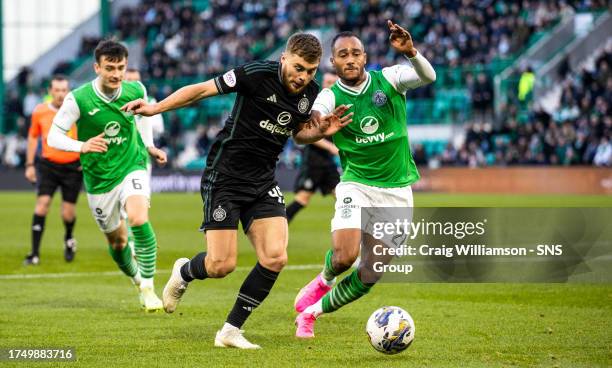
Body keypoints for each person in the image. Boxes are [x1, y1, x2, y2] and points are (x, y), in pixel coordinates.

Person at [121, 33, 351, 348]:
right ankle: (185, 271)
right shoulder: (255, 74)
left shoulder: (310, 93)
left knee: (275, 257)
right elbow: (201, 90)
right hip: (225, 175)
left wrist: (320, 131)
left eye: (311, 71)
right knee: (221, 265)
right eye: (299, 68)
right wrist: (155, 108)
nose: (304, 77)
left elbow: (299, 135)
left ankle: (230, 331)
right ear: (284, 58)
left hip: (263, 180)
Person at [293, 21, 436, 338]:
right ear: (334, 62)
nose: (350, 59)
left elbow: (428, 76)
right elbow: (311, 121)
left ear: (365, 56)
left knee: (371, 272)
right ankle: (324, 279)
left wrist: (411, 52)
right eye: (343, 54)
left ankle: (312, 313)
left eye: (355, 53)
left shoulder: (390, 78)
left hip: (397, 192)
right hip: (356, 184)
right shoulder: (330, 96)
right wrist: (318, 127)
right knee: (345, 256)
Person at [47, 39, 168, 312]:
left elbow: (145, 116)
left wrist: (148, 146)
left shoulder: (136, 89)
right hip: (99, 179)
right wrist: (82, 146)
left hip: (131, 164)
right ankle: (137, 281)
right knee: (118, 241)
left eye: (121, 67)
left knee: (138, 217)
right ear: (97, 68)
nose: (116, 74)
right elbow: (53, 136)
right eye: (110, 68)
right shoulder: (78, 98)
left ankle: (149, 287)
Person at [24, 75, 82, 265]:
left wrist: (85, 159)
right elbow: (33, 137)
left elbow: (87, 135)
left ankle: (69, 237)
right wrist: (30, 164)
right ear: (50, 92)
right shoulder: (39, 111)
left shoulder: (77, 110)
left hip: (73, 166)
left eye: (64, 90)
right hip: (48, 165)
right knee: (42, 204)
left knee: (67, 213)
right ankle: (34, 253)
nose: (60, 94)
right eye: (56, 90)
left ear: (68, 91)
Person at [286, 72, 341, 223]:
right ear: (323, 83)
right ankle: (278, 226)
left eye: (334, 82)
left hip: (328, 162)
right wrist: (330, 147)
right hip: (313, 161)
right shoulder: (315, 106)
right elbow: (306, 136)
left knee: (343, 198)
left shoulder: (337, 105)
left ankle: (353, 233)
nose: (331, 85)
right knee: (303, 199)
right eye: (328, 82)